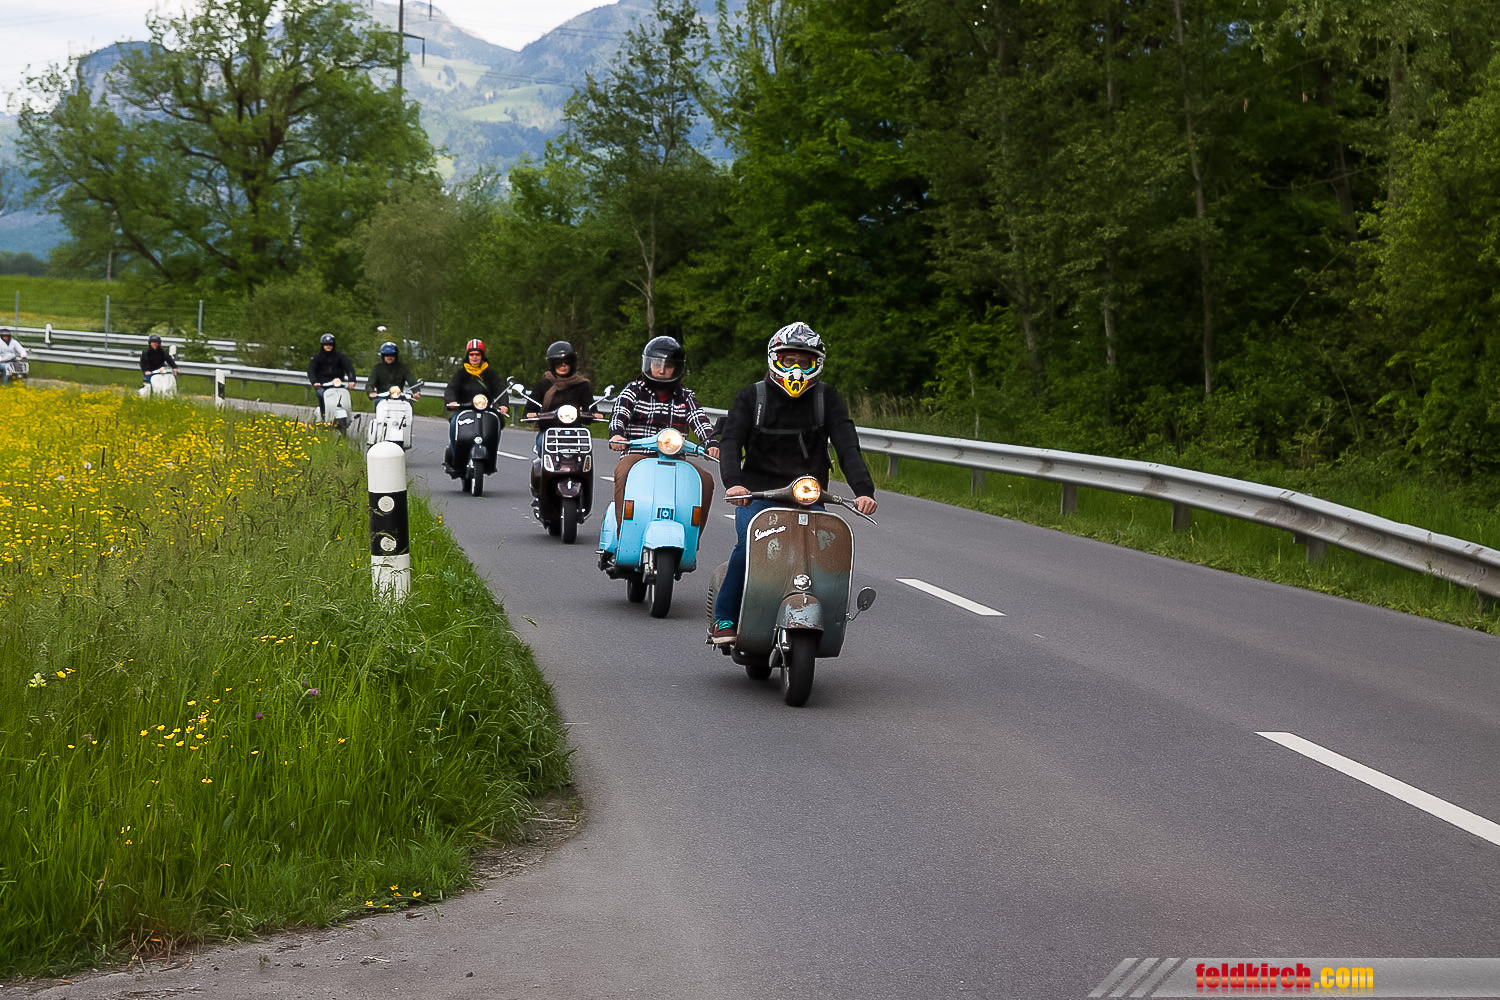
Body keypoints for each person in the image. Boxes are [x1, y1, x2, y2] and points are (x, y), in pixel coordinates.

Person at [708, 322, 877, 644]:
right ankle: (725, 616)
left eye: (804, 361)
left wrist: (863, 491)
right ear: (775, 359)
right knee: (748, 547)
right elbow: (730, 442)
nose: (796, 369)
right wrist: (735, 483)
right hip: (758, 496)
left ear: (818, 364)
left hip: (809, 497)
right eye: (789, 361)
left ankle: (827, 616)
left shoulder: (826, 398)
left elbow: (847, 446)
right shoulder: (751, 397)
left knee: (826, 556)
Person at [606, 335, 719, 531]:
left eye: (668, 366)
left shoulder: (685, 396)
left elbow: (699, 419)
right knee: (623, 472)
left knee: (706, 480)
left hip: (675, 457)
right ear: (648, 364)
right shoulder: (633, 390)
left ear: (677, 368)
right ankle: (622, 531)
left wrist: (711, 442)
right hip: (637, 454)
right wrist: (617, 434)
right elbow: (619, 414)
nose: (661, 370)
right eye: (657, 364)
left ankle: (692, 538)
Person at [442, 338, 508, 473]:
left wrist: (503, 405)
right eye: (472, 354)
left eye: (477, 354)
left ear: (482, 356)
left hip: (487, 410)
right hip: (463, 409)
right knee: (454, 423)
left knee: (497, 423)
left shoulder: (490, 373)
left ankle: (491, 458)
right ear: (468, 356)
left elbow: (500, 389)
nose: (474, 357)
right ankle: (455, 458)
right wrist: (453, 401)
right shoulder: (461, 373)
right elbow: (451, 389)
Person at [525, 340, 596, 455]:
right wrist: (531, 414)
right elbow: (529, 409)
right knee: (543, 444)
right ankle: (544, 464)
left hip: (575, 431)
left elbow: (591, 409)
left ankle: (585, 466)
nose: (563, 366)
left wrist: (593, 414)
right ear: (552, 364)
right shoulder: (543, 385)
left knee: (585, 449)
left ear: (572, 363)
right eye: (558, 362)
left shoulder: (582, 385)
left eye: (567, 362)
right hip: (548, 430)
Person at [306, 333, 356, 419]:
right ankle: (324, 415)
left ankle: (348, 416)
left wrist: (352, 379)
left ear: (333, 345)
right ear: (322, 345)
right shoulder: (316, 358)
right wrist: (315, 382)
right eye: (326, 344)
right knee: (320, 394)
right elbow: (311, 371)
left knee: (345, 396)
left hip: (338, 385)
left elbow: (349, 368)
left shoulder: (340, 357)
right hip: (323, 385)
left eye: (330, 344)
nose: (328, 346)